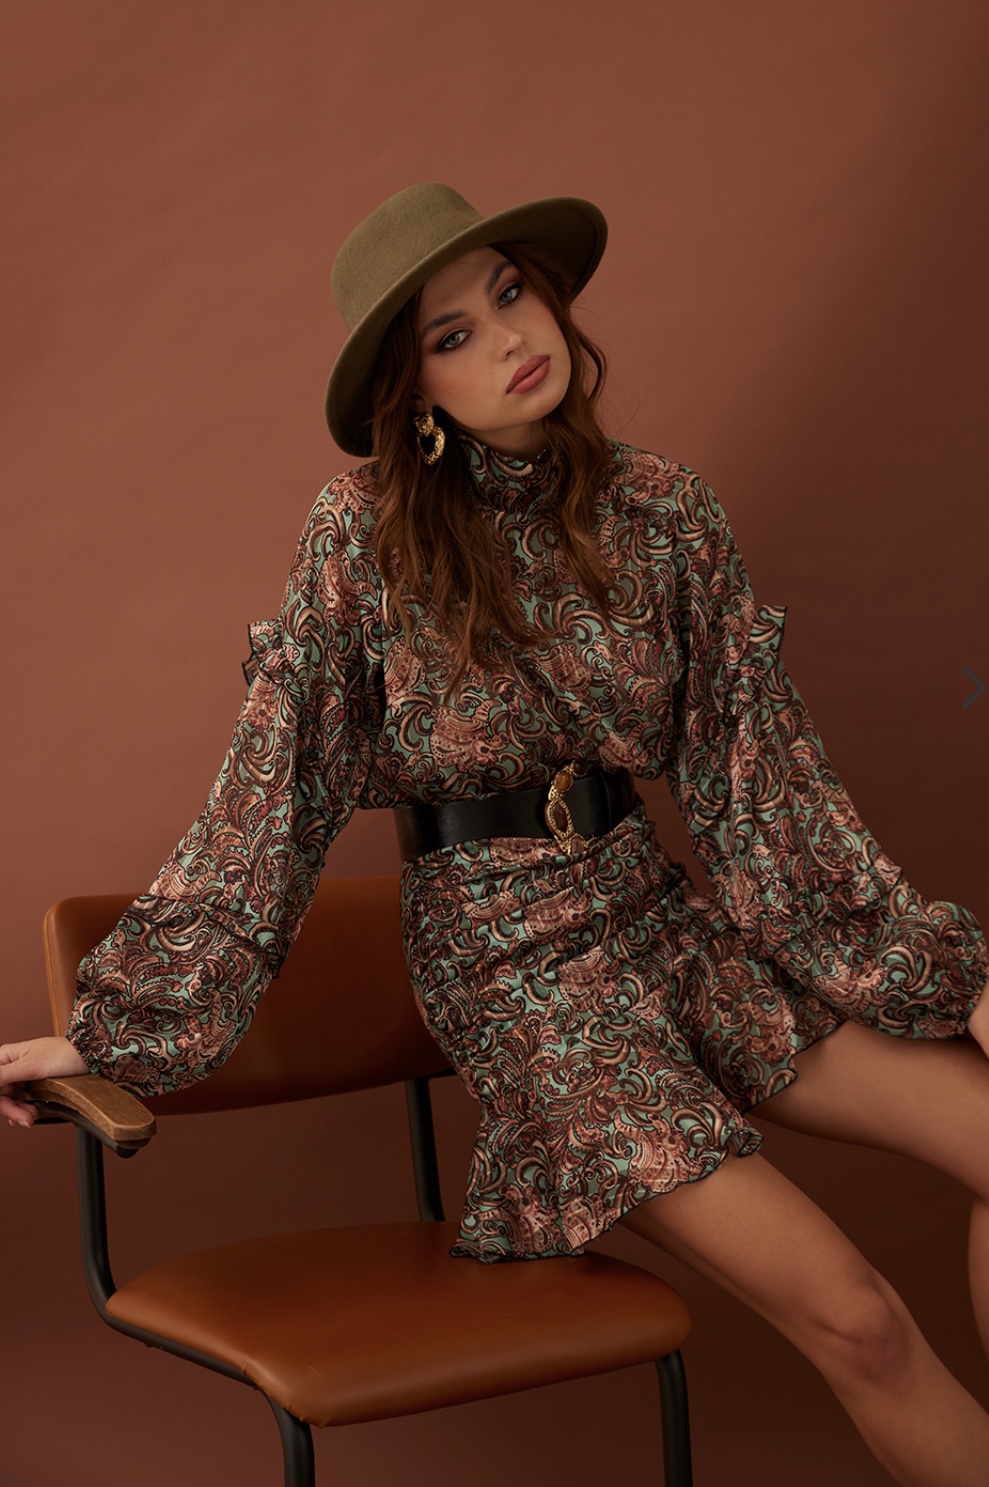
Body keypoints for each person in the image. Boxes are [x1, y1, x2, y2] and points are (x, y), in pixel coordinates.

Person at [3, 181, 989, 1482]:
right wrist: (121, 1025)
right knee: (858, 1320)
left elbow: (766, 789)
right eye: (452, 334)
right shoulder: (361, 537)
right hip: (516, 974)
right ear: (412, 387)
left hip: (658, 917)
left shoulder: (665, 513)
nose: (509, 338)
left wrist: (953, 980)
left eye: (510, 293)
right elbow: (269, 800)